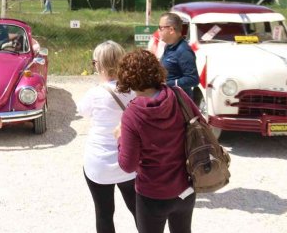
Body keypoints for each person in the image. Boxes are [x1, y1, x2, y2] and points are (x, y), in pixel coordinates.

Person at [116, 49, 202, 233]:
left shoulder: (133, 114)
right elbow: (202, 127)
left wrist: (120, 139)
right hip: (185, 187)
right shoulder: (179, 95)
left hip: (153, 194)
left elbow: (128, 165)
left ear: (127, 78)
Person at [77, 41, 136, 233]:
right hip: (129, 160)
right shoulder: (135, 90)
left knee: (103, 213)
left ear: (98, 64)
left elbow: (82, 111)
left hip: (99, 161)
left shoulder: (95, 93)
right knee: (138, 210)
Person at [158, 12, 199, 99]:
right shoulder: (168, 46)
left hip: (179, 103)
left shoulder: (184, 51)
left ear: (171, 30)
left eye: (161, 28)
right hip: (167, 99)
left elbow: (193, 79)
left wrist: (168, 84)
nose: (159, 31)